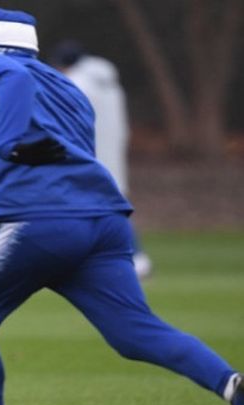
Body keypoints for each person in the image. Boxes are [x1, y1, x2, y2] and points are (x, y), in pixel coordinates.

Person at [0, 8, 243, 405]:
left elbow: (10, 83)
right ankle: (233, 386)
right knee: (134, 332)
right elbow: (63, 163)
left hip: (42, 221)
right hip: (103, 221)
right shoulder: (66, 88)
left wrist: (9, 145)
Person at [50, 40, 152, 278]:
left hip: (87, 154)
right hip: (112, 152)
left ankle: (134, 256)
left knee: (99, 208)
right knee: (110, 204)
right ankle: (123, 256)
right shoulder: (109, 85)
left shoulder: (75, 84)